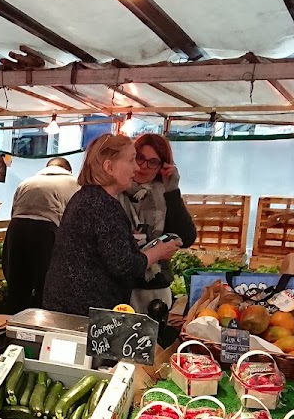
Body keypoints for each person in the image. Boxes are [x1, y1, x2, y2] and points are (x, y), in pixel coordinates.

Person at [42, 135, 182, 316]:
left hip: (72, 307)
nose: (137, 167)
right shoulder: (101, 205)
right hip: (81, 311)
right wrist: (158, 252)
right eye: (132, 160)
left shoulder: (90, 198)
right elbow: (123, 265)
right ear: (109, 167)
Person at [118, 134, 197, 313]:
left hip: (155, 289)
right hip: (120, 287)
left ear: (163, 167)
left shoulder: (164, 195)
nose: (143, 166)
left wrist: (173, 190)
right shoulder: (116, 190)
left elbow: (186, 237)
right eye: (140, 158)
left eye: (153, 162)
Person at [2, 157, 79, 313]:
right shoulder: (75, 183)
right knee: (44, 286)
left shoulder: (27, 182)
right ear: (68, 170)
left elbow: (14, 211)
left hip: (17, 229)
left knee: (16, 287)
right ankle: (41, 327)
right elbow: (74, 221)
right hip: (46, 231)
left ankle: (12, 327)